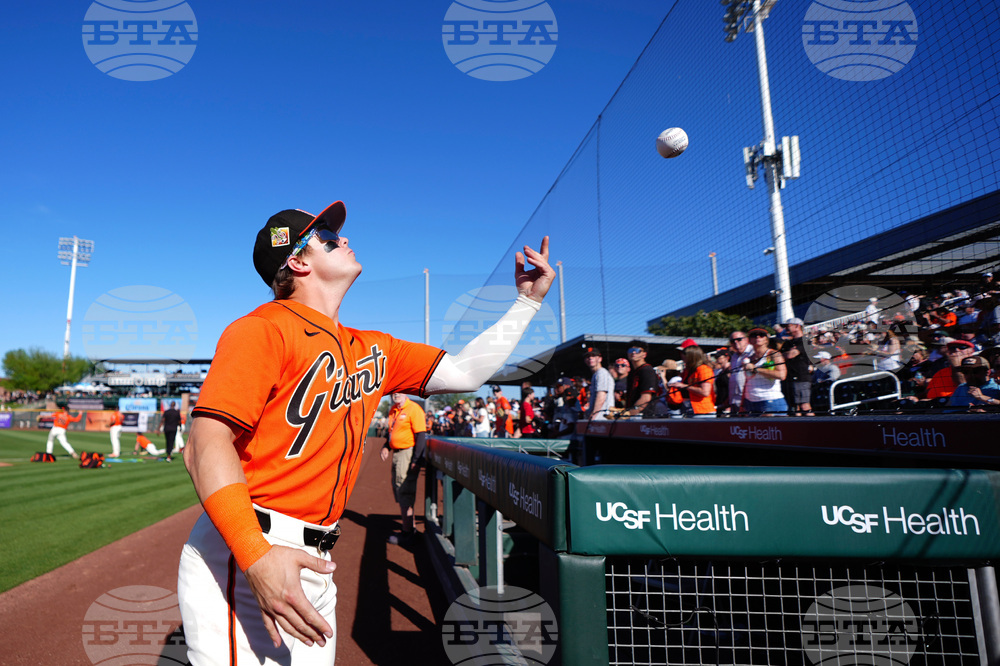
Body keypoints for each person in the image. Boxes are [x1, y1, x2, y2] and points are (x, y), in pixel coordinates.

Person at [177, 201, 553, 665]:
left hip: (315, 559)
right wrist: (255, 555)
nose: (345, 240)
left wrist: (527, 302)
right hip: (250, 549)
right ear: (297, 262)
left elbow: (463, 371)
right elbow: (204, 445)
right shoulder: (260, 331)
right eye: (329, 239)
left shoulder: (372, 347)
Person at [379, 394, 427, 545]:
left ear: (405, 393)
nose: (396, 395)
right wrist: (386, 446)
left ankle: (407, 533)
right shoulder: (393, 409)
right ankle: (409, 529)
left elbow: (421, 436)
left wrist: (416, 460)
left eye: (399, 392)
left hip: (407, 452)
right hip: (397, 453)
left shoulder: (414, 409)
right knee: (399, 489)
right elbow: (392, 433)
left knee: (405, 490)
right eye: (393, 393)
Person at [741, 328, 788, 415]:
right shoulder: (748, 358)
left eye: (761, 335)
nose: (757, 337)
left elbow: (782, 375)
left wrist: (756, 369)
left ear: (766, 339)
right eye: (754, 335)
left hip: (770, 400)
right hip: (750, 402)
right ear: (750, 340)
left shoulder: (774, 354)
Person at [778, 318, 813, 415]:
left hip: (801, 378)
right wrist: (788, 353)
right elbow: (780, 357)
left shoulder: (805, 340)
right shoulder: (787, 343)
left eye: (788, 326)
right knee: (794, 407)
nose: (785, 329)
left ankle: (814, 425)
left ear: (797, 326)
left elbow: (790, 355)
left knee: (804, 406)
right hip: (789, 378)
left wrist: (788, 353)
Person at [673, 340, 715, 417]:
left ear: (692, 354)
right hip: (688, 409)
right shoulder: (687, 370)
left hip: (702, 411)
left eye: (684, 352)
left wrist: (683, 386)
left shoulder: (704, 369)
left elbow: (705, 392)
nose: (681, 355)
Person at [624, 340, 658, 416]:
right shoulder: (633, 372)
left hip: (644, 418)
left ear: (644, 354)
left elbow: (646, 398)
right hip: (633, 417)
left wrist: (628, 414)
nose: (633, 353)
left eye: (637, 350)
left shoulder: (647, 370)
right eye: (631, 350)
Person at [583, 347, 614, 419]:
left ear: (600, 359)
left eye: (593, 356)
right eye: (588, 356)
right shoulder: (596, 374)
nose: (590, 358)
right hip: (599, 417)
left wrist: (593, 415)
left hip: (602, 417)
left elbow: (601, 396)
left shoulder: (602, 373)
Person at [727, 331, 753, 414]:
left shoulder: (752, 352)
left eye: (739, 339)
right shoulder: (734, 356)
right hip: (734, 398)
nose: (735, 342)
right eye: (732, 341)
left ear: (746, 340)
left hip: (748, 398)